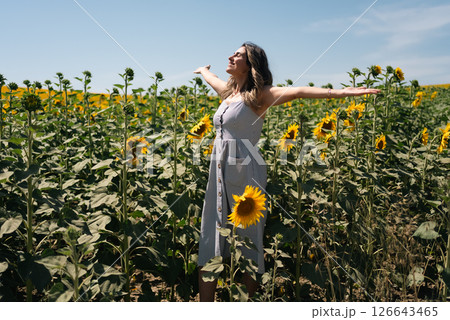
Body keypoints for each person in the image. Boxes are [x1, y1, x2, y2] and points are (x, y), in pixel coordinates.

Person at [193, 42, 380, 301]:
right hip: (220, 171)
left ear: (250, 65)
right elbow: (213, 78)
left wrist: (340, 93)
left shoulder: (259, 95)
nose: (231, 56)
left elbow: (300, 91)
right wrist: (203, 70)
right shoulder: (228, 93)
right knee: (210, 236)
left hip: (245, 171)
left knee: (247, 238)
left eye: (238, 55)